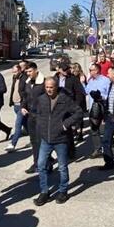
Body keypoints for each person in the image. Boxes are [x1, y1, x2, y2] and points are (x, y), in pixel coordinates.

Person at [32, 76, 84, 206]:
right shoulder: (42, 99)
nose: (49, 90)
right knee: (41, 165)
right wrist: (41, 127)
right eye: (47, 87)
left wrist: (65, 125)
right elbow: (37, 113)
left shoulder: (64, 99)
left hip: (61, 139)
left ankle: (63, 191)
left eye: (51, 87)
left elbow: (78, 112)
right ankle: (44, 191)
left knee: (62, 167)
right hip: (45, 139)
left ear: (56, 87)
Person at [19, 62, 45, 172]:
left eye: (30, 71)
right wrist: (23, 107)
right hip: (30, 115)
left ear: (35, 70)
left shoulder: (43, 82)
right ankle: (36, 163)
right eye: (27, 72)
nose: (28, 74)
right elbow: (25, 97)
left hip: (41, 115)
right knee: (34, 141)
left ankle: (43, 164)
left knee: (40, 141)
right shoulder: (28, 82)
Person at [84, 61, 111, 156]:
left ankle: (110, 147)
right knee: (94, 130)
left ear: (97, 70)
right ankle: (97, 149)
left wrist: (101, 97)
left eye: (91, 70)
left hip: (103, 108)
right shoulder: (91, 81)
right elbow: (86, 91)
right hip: (93, 109)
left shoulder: (106, 80)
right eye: (90, 70)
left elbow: (109, 94)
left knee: (105, 131)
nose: (90, 72)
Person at [5, 61, 29, 153]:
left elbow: (26, 93)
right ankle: (35, 138)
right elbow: (13, 89)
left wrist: (24, 104)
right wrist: (11, 101)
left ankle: (12, 144)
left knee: (18, 125)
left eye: (15, 72)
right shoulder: (14, 78)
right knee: (26, 123)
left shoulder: (25, 78)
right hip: (15, 105)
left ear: (19, 71)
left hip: (21, 105)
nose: (14, 74)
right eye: (13, 72)